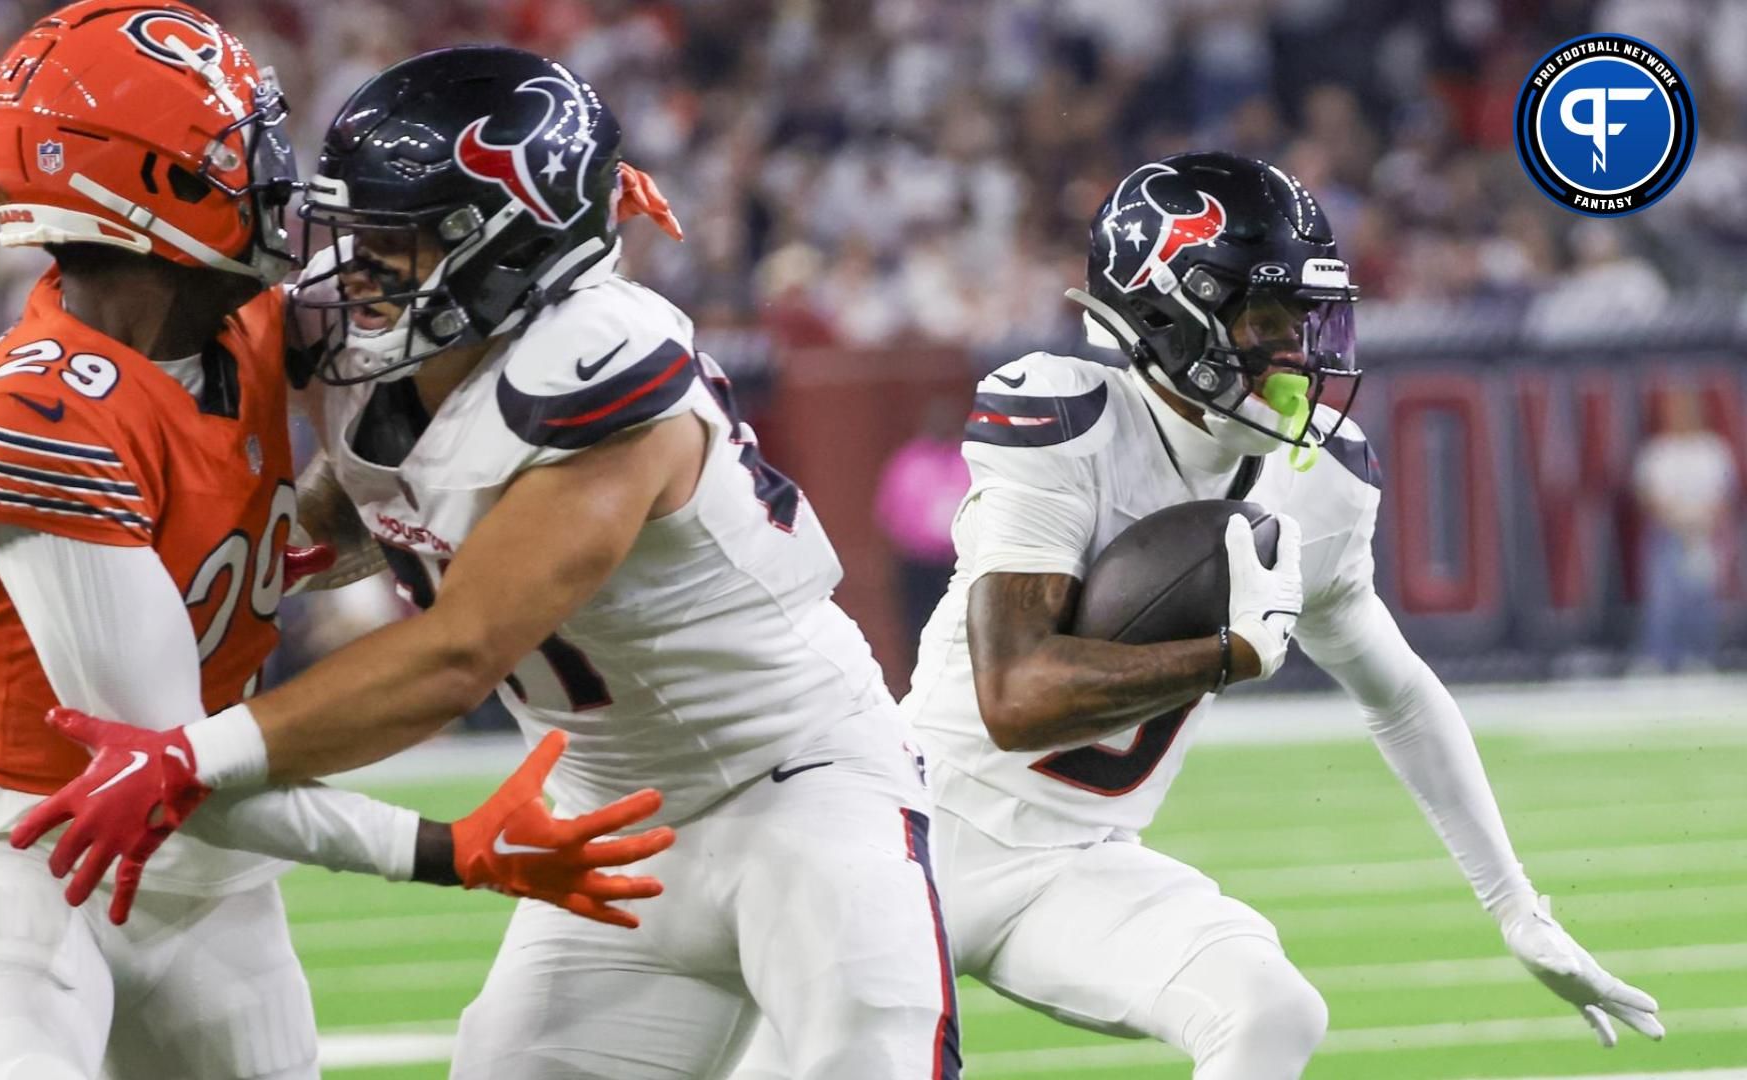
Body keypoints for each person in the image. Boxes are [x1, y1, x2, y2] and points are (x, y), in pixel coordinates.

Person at [12, 44, 960, 1080]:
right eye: (361, 227)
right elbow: (381, 488)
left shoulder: (601, 371)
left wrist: (192, 755)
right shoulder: (370, 327)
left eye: (402, 237)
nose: (359, 264)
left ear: (515, 250)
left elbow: (457, 653)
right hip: (607, 817)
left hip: (795, 788)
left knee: (872, 1060)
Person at [736, 152, 1662, 1079]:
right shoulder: (1070, 417)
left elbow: (1402, 696)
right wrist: (1224, 654)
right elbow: (1014, 694)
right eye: (1266, 320)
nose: (1299, 354)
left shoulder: (1323, 483)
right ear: (1166, 310)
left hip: (1075, 861)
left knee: (1270, 1011)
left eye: (1306, 321)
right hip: (913, 835)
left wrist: (1517, 907)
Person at [0, 7, 666, 1079]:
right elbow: (163, 764)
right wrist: (439, 851)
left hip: (202, 853)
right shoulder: (41, 413)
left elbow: (445, 302)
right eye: (236, 151)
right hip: (15, 837)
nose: (275, 177)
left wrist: (561, 218)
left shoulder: (245, 322)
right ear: (152, 188)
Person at [1634, 385, 1736, 673]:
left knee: (1702, 599)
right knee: (1663, 600)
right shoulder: (1659, 452)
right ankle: (1660, 658)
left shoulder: (1712, 450)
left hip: (1704, 533)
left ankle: (1701, 656)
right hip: (1667, 534)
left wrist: (1702, 524)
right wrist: (1676, 520)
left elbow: (1724, 495)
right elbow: (1648, 495)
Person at [876, 399, 973, 648]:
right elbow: (888, 511)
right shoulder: (908, 461)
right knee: (918, 628)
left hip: (959, 562)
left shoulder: (967, 460)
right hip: (918, 564)